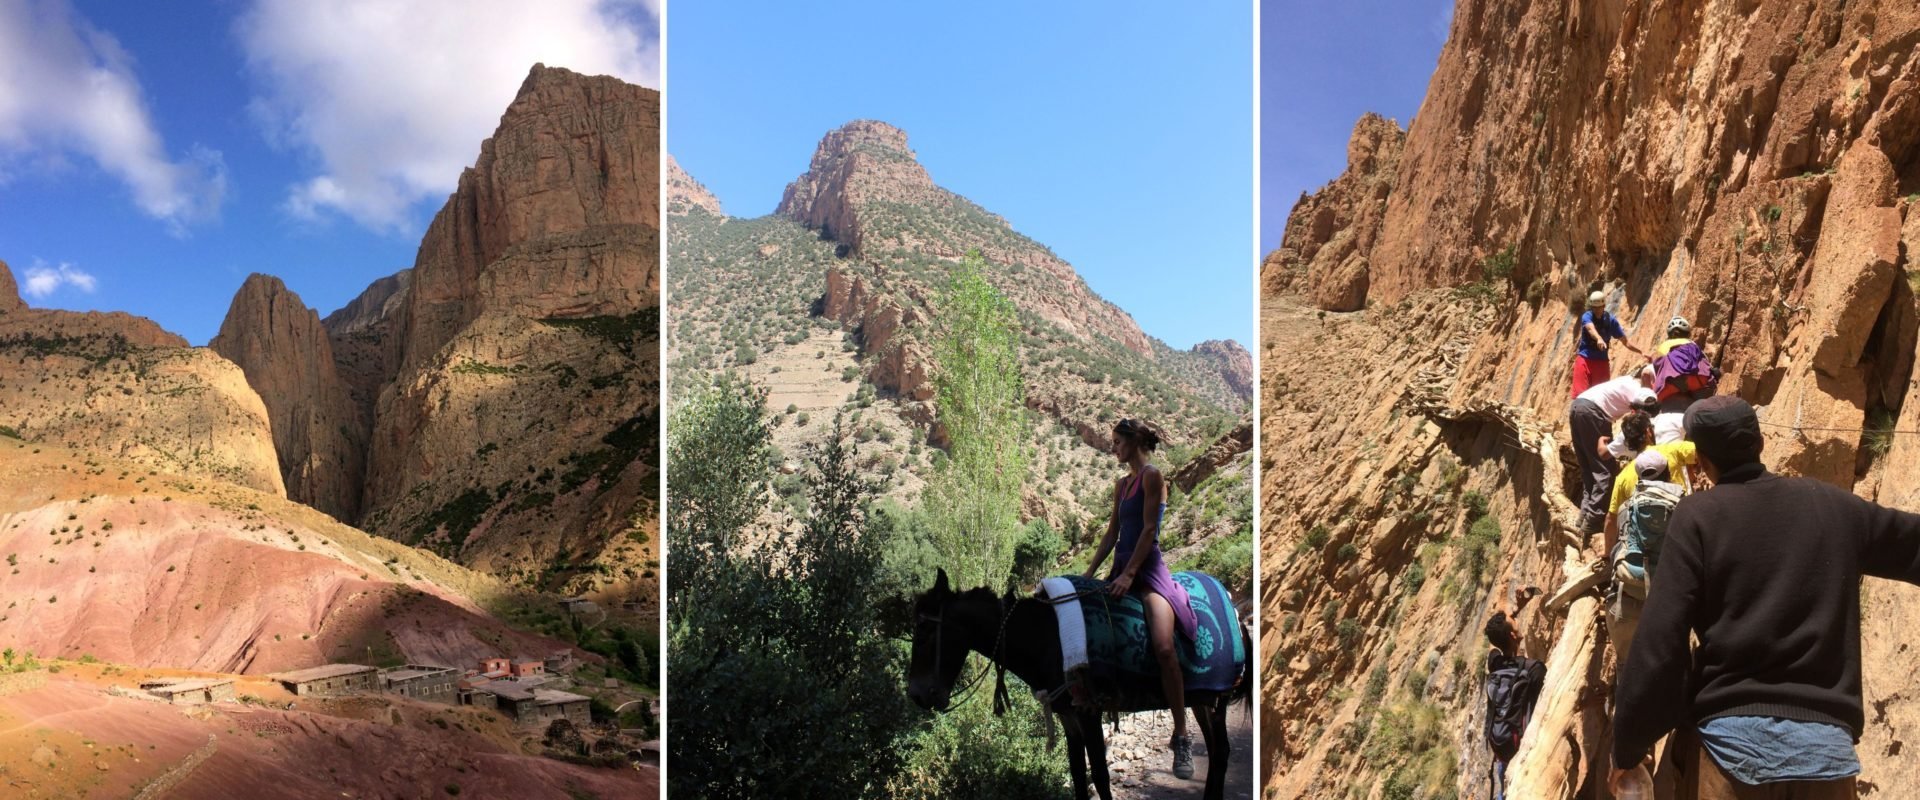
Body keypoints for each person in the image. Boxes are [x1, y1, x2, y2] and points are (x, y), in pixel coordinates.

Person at [1611, 396, 1920, 798]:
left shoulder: (1698, 517)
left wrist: (1630, 744)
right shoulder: (1836, 506)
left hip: (1732, 751)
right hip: (1828, 758)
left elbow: (1661, 640)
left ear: (1702, 460)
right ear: (1759, 444)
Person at [1083, 417, 1199, 780]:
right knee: (1092, 637)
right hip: (1120, 567)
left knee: (1164, 647)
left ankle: (1181, 735)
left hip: (1146, 570)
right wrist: (1088, 575)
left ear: (1133, 442)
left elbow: (1150, 529)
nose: (1113, 448)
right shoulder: (1122, 485)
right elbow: (1111, 533)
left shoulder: (1152, 476)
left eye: (1117, 442)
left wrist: (1131, 574)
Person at [1605, 450, 1684, 667]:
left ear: (1639, 478)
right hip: (1668, 605)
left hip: (1627, 600)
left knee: (1626, 666)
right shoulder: (1684, 506)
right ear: (1668, 474)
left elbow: (1617, 546)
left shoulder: (1625, 509)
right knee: (1669, 667)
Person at [1570, 369, 1657, 534]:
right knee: (1604, 470)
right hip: (1595, 412)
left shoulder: (1626, 382)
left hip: (1578, 406)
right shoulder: (1639, 393)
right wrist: (1617, 447)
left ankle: (1585, 515)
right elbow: (1636, 424)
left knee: (1589, 467)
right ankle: (1594, 519)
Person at [1484, 611, 1547, 800]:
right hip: (1525, 748)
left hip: (1502, 749)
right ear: (1513, 635)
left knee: (1504, 788)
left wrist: (1514, 612)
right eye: (1514, 622)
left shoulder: (1495, 663)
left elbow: (1493, 641)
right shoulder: (1534, 669)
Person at [1572, 291, 1648, 398]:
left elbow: (1625, 342)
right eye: (1594, 307)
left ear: (1604, 306)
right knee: (1580, 397)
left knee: (1601, 397)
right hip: (1585, 360)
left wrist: (1641, 351)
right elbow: (1590, 328)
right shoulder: (1587, 316)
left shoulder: (1610, 321)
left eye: (1599, 307)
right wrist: (1599, 338)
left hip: (1601, 363)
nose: (1596, 310)